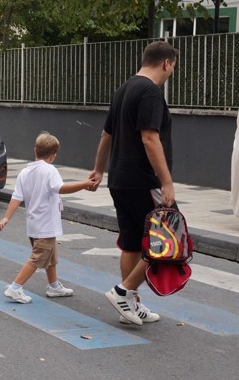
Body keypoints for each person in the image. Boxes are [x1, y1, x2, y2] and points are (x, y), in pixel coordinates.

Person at [89, 41, 179, 326]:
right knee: (170, 241)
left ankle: (130, 303)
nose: (171, 72)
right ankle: (123, 292)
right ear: (166, 63)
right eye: (173, 67)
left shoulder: (123, 89)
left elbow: (106, 136)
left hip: (119, 179)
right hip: (144, 181)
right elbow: (150, 138)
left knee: (131, 244)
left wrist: (98, 170)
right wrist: (166, 182)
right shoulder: (151, 92)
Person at [0, 132, 95, 303]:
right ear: (53, 155)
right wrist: (85, 184)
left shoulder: (24, 172)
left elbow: (16, 197)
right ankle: (15, 287)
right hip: (46, 225)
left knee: (50, 257)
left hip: (34, 225)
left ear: (35, 150)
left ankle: (54, 286)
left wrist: (6, 217)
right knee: (37, 258)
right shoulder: (50, 170)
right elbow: (61, 188)